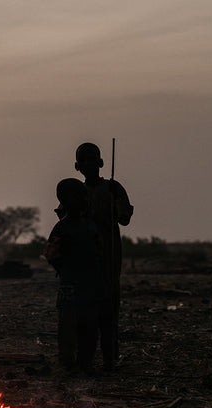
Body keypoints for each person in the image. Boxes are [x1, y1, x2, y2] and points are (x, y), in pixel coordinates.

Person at [74, 142, 133, 371]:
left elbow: (125, 218)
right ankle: (84, 358)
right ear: (77, 166)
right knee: (84, 310)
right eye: (84, 160)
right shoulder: (75, 191)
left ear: (101, 163)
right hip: (83, 259)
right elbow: (64, 218)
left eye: (92, 159)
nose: (89, 164)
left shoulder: (113, 188)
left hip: (108, 258)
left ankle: (110, 358)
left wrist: (117, 208)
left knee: (109, 308)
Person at [43, 178, 106, 376]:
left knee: (88, 328)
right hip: (72, 285)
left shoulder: (89, 226)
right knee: (69, 329)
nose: (82, 200)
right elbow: (51, 254)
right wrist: (64, 269)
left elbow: (99, 250)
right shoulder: (63, 227)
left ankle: (85, 363)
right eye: (77, 196)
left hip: (88, 284)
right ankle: (69, 365)